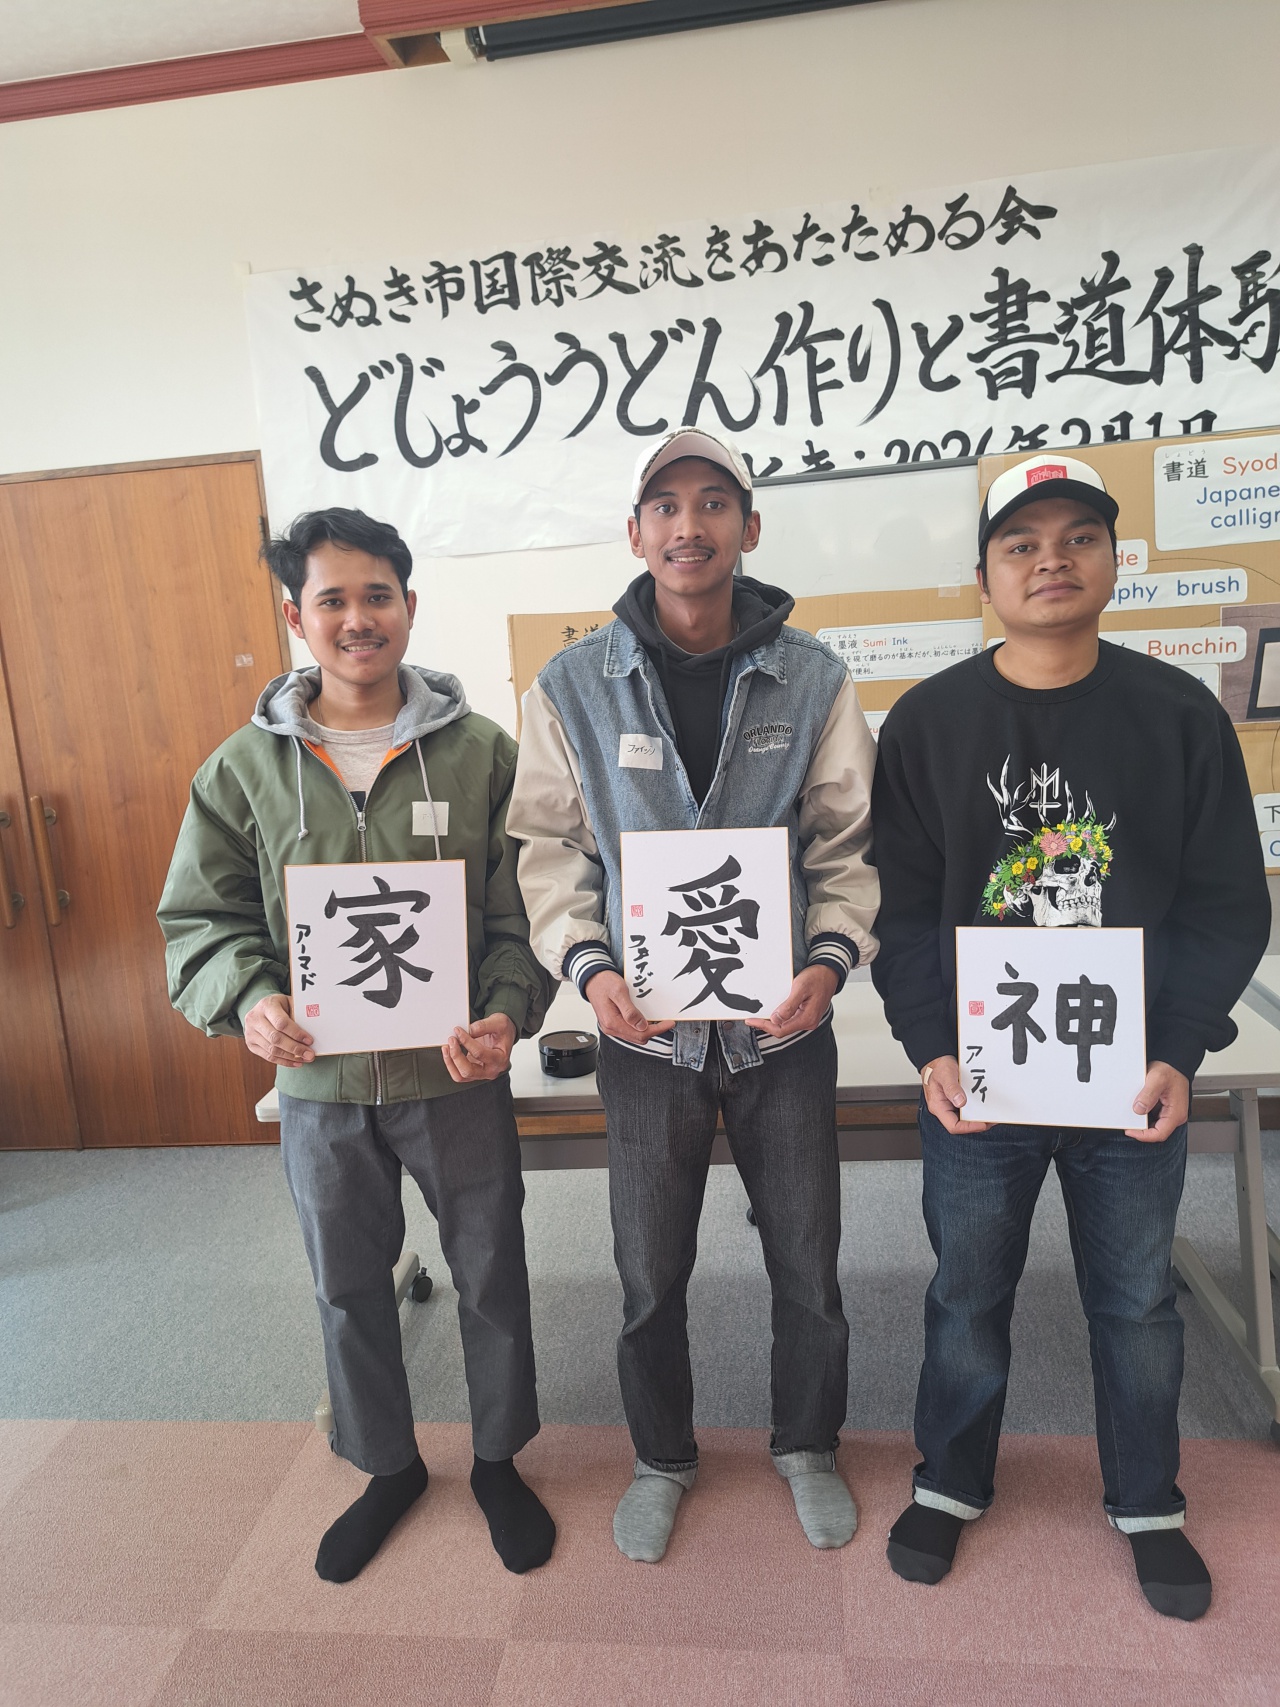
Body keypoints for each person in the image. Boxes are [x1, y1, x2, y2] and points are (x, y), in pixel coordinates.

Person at [869, 454, 1271, 1620]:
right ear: (983, 578)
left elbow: (1224, 905)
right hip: (981, 1077)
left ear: (1111, 559)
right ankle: (949, 1479)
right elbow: (899, 908)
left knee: (1134, 1299)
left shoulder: (1175, 714)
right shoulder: (929, 723)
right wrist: (928, 1045)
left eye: (1076, 538)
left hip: (1126, 1076)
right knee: (965, 1290)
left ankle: (1145, 1499)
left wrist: (1178, 1048)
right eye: (1020, 543)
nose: (1049, 560)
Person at [159, 508, 557, 1583]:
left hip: (454, 1074)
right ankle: (387, 1465)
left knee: (490, 1268)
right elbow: (201, 922)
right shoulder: (244, 769)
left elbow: (526, 912)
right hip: (320, 1085)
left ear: (409, 606)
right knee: (346, 1281)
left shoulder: (481, 754)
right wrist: (249, 1000)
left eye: (376, 595)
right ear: (296, 617)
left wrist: (506, 1011)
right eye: (330, 599)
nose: (356, 619)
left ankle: (497, 1457)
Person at [507, 428, 879, 1563]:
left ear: (748, 527)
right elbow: (550, 852)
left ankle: (807, 1444)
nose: (688, 524)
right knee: (647, 1272)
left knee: (807, 1263)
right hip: (644, 1036)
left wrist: (827, 961)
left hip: (781, 1031)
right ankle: (661, 1456)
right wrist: (590, 969)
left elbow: (845, 844)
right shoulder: (571, 685)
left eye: (713, 501)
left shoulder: (813, 678)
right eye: (664, 505)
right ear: (635, 534)